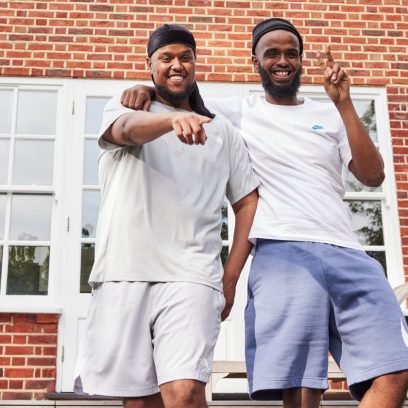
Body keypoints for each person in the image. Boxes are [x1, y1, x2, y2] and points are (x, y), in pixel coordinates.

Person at [121, 18, 408, 408]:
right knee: (302, 389)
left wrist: (344, 103)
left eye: (291, 53)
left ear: (301, 59)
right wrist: (145, 89)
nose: (282, 60)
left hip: (348, 251)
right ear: (255, 61)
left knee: (395, 369)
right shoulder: (239, 111)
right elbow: (178, 95)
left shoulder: (332, 114)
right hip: (282, 251)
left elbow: (373, 175)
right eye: (271, 53)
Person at [74, 24, 259, 408]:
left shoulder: (222, 130)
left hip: (193, 274)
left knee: (184, 392)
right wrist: (170, 120)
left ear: (195, 63)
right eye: (166, 58)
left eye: (185, 57)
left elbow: (247, 203)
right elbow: (126, 130)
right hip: (124, 271)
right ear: (150, 64)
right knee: (139, 401)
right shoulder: (127, 107)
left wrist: (230, 278)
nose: (177, 65)